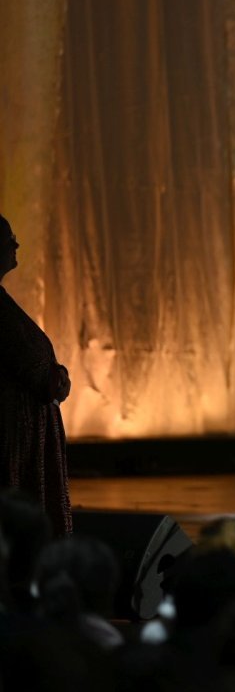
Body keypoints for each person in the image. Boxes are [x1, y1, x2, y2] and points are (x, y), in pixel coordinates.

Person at [0, 214, 73, 536]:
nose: (16, 245)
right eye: (8, 240)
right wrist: (54, 379)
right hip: (12, 437)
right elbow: (30, 366)